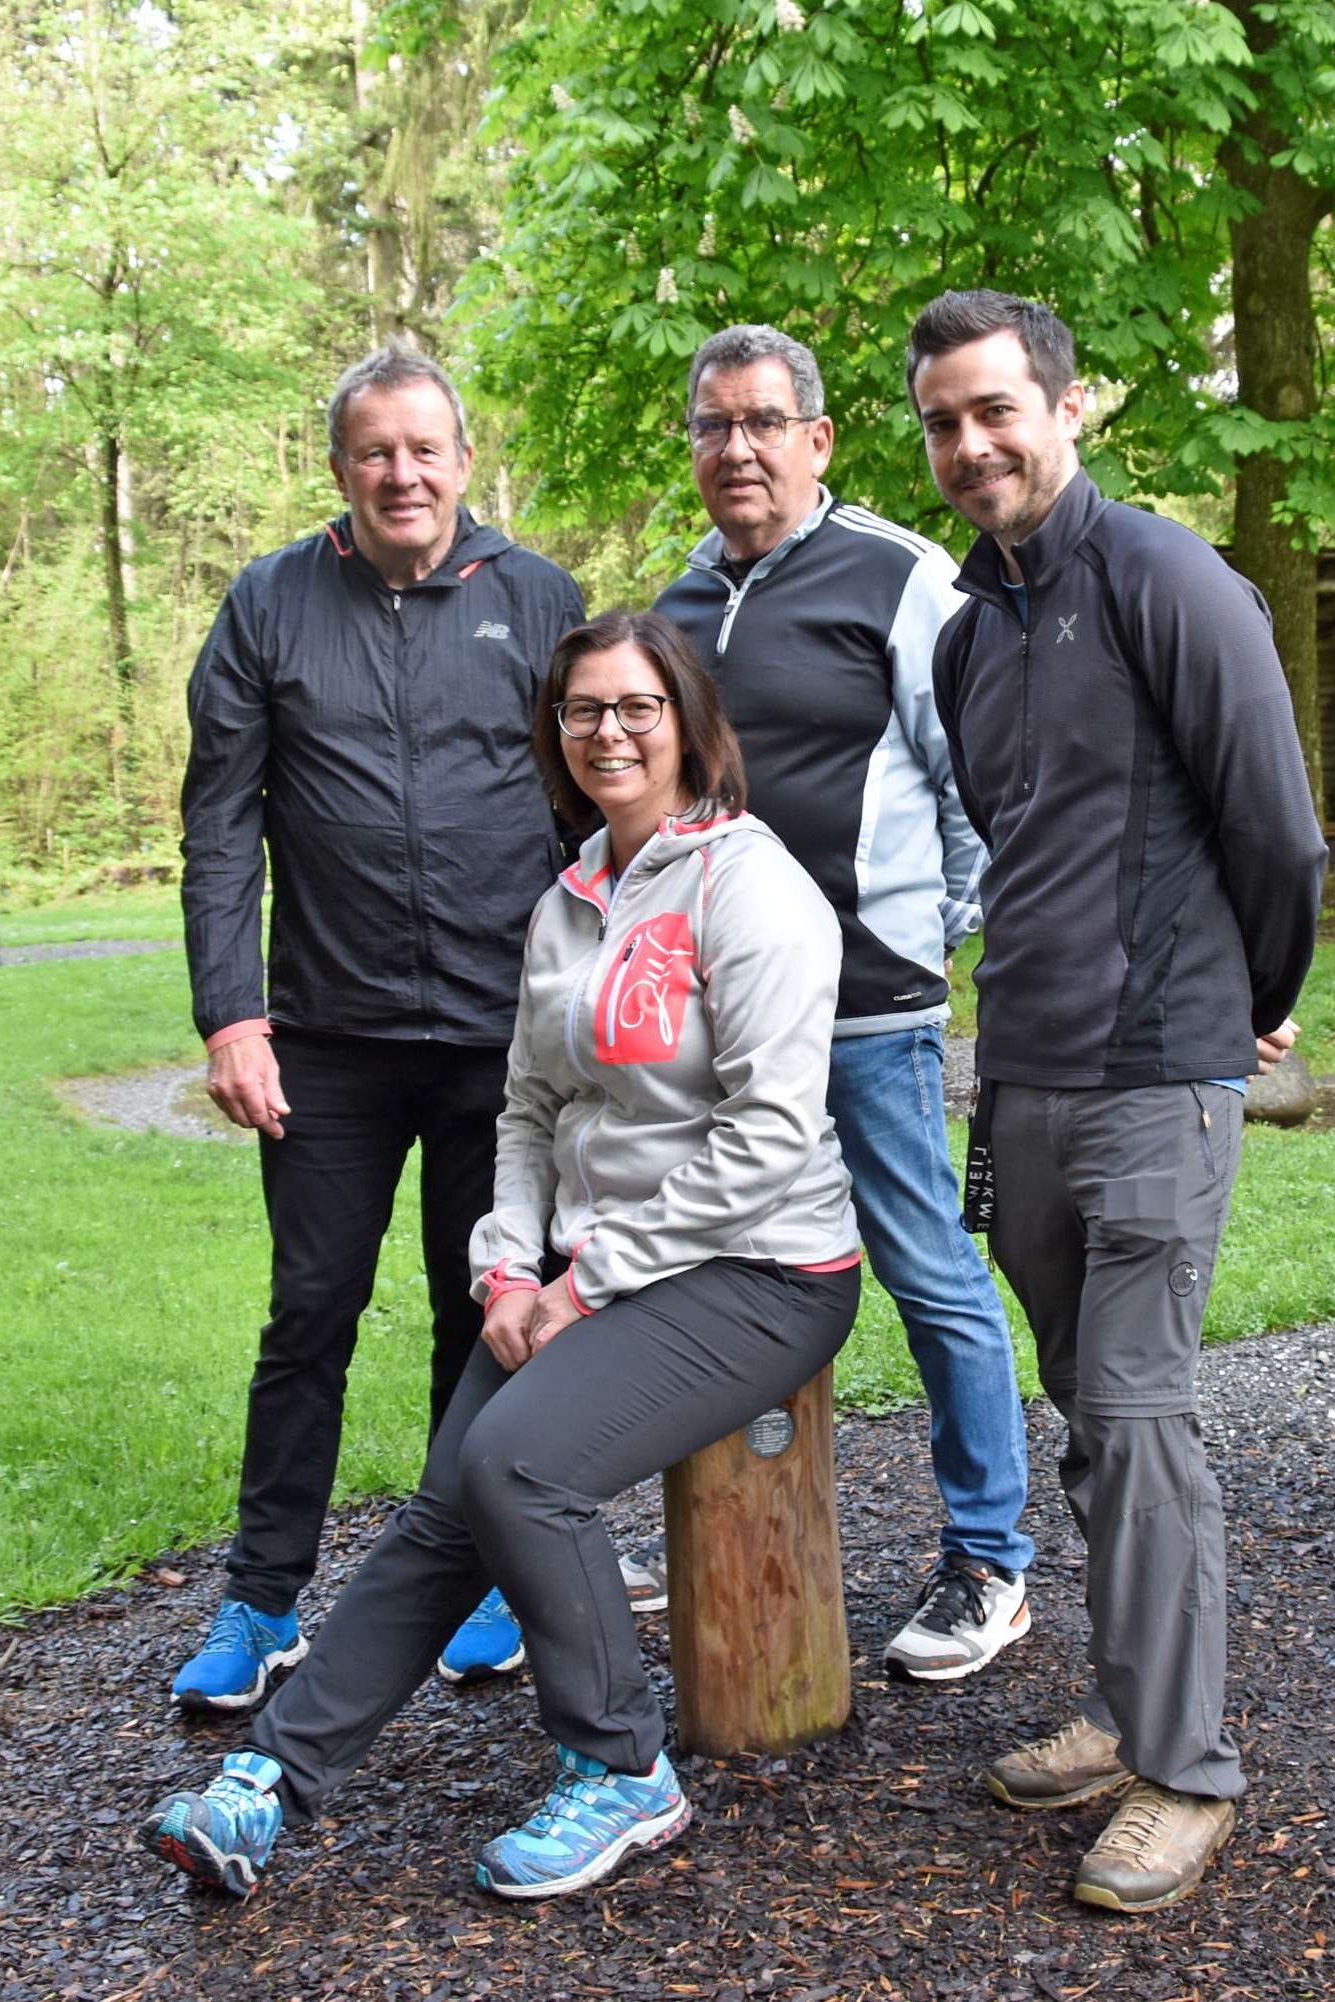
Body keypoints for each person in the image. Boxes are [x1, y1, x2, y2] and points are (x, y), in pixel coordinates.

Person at [141, 610, 864, 1901]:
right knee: (450, 1500)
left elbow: (763, 1139)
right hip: (590, 1267)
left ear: (689, 724)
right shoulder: (572, 897)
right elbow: (527, 1111)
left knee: (517, 1465)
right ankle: (270, 1779)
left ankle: (623, 1769)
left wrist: (588, 1279)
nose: (608, 731)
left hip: (763, 1269)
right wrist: (510, 1265)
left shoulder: (753, 886)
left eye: (636, 705)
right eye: (582, 709)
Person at [907, 290, 1326, 1913]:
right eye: (943, 421)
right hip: (1022, 1084)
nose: (970, 445)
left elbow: (1273, 826)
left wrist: (1248, 1001)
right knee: (1089, 1412)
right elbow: (1015, 859)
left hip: (1159, 1080)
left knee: (1140, 1420)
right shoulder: (965, 635)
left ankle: (1186, 1768)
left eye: (997, 410)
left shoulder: (1162, 577)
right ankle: (1131, 1699)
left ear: (1068, 409)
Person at [172, 343, 585, 1713]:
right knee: (309, 1314)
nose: (400, 474)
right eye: (373, 452)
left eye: (424, 449)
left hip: (501, 1044)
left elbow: (598, 814)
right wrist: (231, 1012)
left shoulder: (538, 602)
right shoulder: (270, 603)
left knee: (485, 1318)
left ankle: (474, 1579)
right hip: (329, 1043)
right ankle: (261, 1599)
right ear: (338, 466)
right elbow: (221, 823)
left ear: (464, 461)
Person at [644, 323, 1034, 1681]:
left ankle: (988, 1557)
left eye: (761, 422)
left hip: (869, 1007)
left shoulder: (899, 577)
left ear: (817, 440)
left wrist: (925, 933)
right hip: (719, 1021)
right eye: (711, 425)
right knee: (697, 1262)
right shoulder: (677, 609)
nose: (734, 448)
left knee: (925, 1266)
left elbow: (981, 777)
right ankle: (694, 1518)